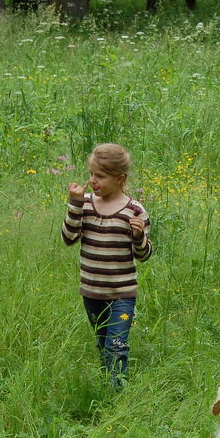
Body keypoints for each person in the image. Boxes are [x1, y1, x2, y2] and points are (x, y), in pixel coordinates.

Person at [61, 143, 153, 389]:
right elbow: (68, 238)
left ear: (119, 179)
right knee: (102, 342)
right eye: (91, 174)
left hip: (122, 296)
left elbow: (144, 254)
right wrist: (75, 204)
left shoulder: (135, 211)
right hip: (92, 293)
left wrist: (138, 236)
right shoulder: (86, 204)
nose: (93, 181)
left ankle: (118, 392)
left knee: (117, 344)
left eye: (100, 176)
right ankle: (107, 385)